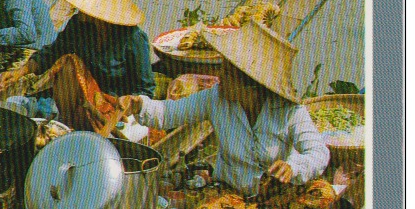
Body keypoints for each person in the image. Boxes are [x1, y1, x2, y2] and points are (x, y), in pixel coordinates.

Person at [117, 20, 330, 196]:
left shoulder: (290, 111)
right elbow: (168, 113)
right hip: (228, 193)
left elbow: (318, 153)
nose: (219, 79)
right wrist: (139, 105)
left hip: (274, 198)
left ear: (252, 85)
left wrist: (293, 166)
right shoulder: (215, 99)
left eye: (227, 75)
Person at [0, 0, 156, 133]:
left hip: (115, 116)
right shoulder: (79, 26)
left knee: (69, 62)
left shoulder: (133, 38)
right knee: (67, 63)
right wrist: (19, 72)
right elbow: (52, 52)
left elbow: (146, 90)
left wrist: (126, 105)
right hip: (84, 105)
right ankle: (69, 125)